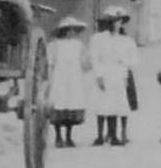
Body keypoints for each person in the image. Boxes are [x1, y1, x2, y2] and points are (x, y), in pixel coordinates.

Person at [90, 9, 135, 146]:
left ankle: (113, 135)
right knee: (102, 103)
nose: (117, 24)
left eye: (119, 21)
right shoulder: (98, 38)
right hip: (104, 71)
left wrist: (125, 76)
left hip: (118, 73)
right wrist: (99, 76)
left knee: (116, 103)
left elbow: (128, 60)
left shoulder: (125, 40)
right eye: (114, 21)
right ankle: (99, 136)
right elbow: (95, 58)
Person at [47, 16, 91, 148]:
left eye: (74, 30)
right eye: (69, 30)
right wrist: (50, 77)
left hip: (74, 78)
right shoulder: (54, 45)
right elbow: (51, 63)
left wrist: (88, 64)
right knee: (59, 104)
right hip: (60, 78)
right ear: (64, 31)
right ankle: (58, 136)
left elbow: (85, 62)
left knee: (71, 105)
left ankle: (69, 136)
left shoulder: (79, 45)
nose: (72, 33)